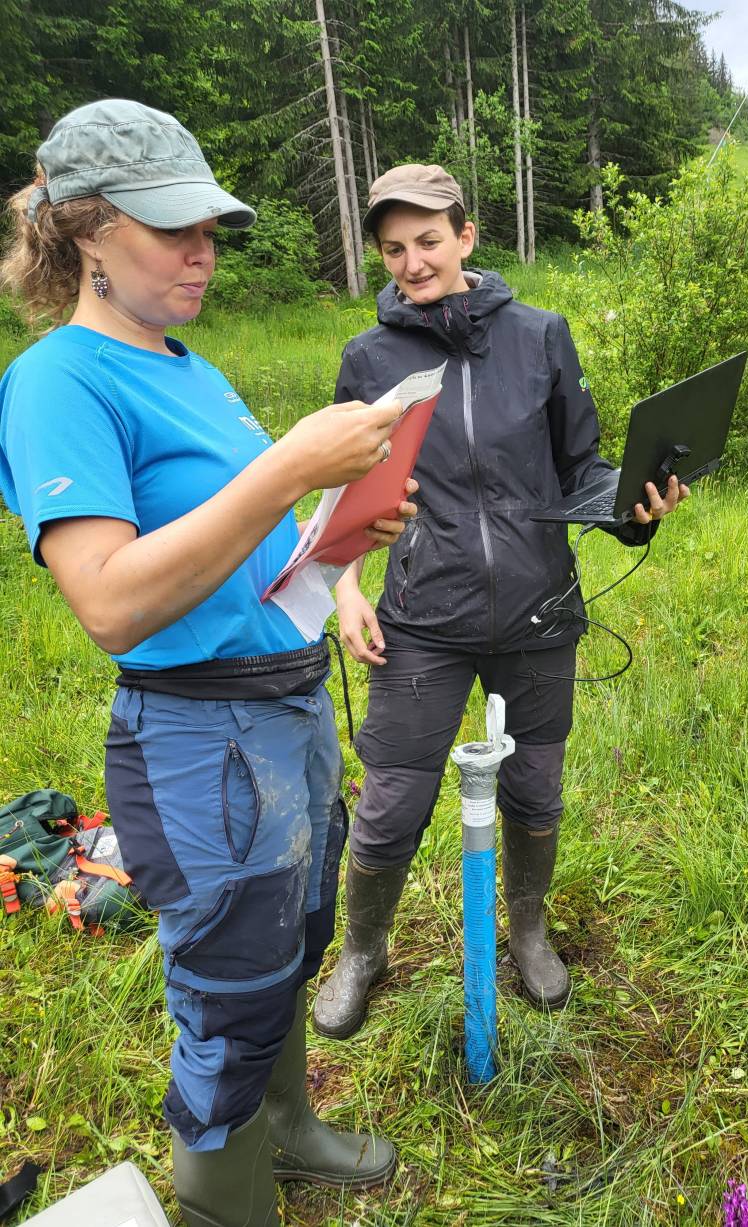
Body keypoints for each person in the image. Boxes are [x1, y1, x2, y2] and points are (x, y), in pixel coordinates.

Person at [0, 100, 418, 1227]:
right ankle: (223, 1196)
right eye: (172, 228)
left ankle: (284, 1130)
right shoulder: (58, 382)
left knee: (290, 942)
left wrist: (336, 552)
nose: (202, 253)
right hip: (195, 737)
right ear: (87, 231)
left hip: (284, 714)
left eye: (211, 229)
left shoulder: (190, 369)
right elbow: (111, 601)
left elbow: (243, 540)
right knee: (227, 987)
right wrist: (287, 469)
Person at [312, 164, 689, 1040]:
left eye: (429, 242)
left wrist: (636, 508)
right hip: (422, 619)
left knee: (534, 787)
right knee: (393, 799)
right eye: (395, 248)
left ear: (467, 236)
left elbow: (582, 468)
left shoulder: (540, 336)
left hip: (538, 612)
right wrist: (346, 589)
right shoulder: (370, 360)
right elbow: (343, 494)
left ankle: (526, 930)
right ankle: (363, 952)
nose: (413, 263)